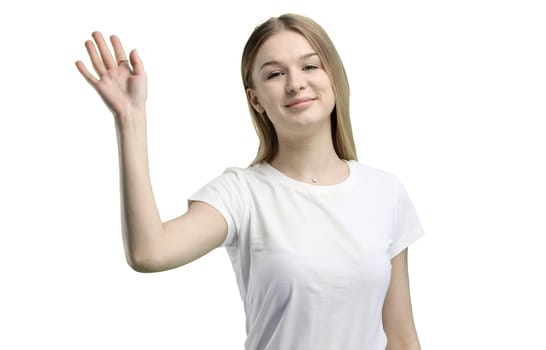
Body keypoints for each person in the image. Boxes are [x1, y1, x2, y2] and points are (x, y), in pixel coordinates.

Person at [75, 13, 425, 350]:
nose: (295, 83)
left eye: (309, 66)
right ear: (255, 99)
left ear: (333, 76)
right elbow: (150, 252)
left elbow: (403, 337)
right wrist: (130, 118)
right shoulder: (242, 194)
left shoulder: (384, 192)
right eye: (275, 74)